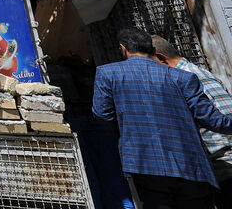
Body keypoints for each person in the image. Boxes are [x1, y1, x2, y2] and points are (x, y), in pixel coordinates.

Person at [93, 27, 232, 208]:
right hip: (191, 165)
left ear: (124, 48)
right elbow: (212, 120)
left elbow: (102, 115)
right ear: (152, 50)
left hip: (143, 163)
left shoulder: (108, 73)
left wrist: (125, 137)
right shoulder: (183, 78)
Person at [154, 35, 232, 208]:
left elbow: (226, 118)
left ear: (160, 58)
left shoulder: (191, 77)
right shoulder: (185, 78)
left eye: (149, 64)